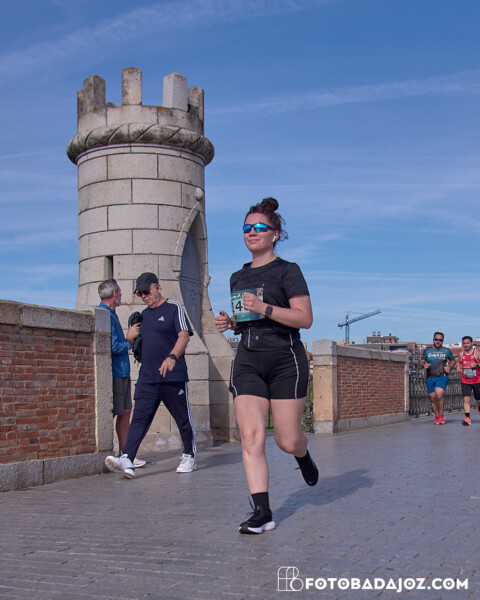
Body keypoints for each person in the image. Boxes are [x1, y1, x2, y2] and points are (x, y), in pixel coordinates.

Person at [215, 197, 318, 535]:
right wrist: (231, 323)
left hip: (285, 358)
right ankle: (262, 512)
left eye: (260, 227)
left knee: (286, 440)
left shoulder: (288, 271)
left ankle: (302, 453)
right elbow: (247, 320)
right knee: (251, 436)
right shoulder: (237, 276)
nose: (252, 232)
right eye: (247, 228)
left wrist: (264, 308)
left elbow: (304, 319)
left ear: (275, 234)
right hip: (248, 359)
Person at [104, 273, 196, 478]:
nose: (144, 296)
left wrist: (172, 357)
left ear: (158, 287)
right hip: (147, 378)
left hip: (172, 377)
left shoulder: (174, 308)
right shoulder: (143, 316)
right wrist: (129, 337)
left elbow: (184, 336)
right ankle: (127, 458)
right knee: (139, 420)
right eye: (140, 293)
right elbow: (134, 344)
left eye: (146, 291)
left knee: (182, 419)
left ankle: (189, 455)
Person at [98, 279, 146, 468]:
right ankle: (110, 453)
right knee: (117, 412)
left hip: (123, 372)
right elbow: (113, 346)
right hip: (116, 372)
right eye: (119, 292)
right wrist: (130, 339)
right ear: (114, 293)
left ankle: (126, 454)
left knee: (125, 412)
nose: (121, 295)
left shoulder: (112, 314)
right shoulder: (104, 314)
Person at [419, 332, 455, 425]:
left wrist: (449, 367)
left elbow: (453, 361)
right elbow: (421, 362)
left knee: (439, 394)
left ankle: (441, 414)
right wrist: (424, 364)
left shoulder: (446, 351)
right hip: (430, 376)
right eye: (436, 340)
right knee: (433, 398)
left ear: (442, 341)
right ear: (433, 340)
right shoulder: (427, 351)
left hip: (442, 376)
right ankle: (437, 415)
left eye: (440, 340)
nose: (438, 341)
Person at [457, 336, 480, 426]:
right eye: (464, 343)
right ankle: (467, 418)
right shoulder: (461, 354)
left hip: (477, 380)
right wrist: (458, 367)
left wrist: (476, 365)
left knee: (478, 401)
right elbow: (458, 362)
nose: (466, 345)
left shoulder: (477, 353)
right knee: (466, 399)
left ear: (471, 343)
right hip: (465, 380)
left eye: (468, 343)